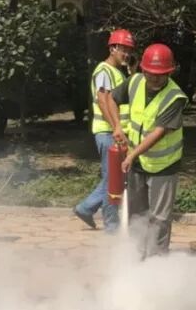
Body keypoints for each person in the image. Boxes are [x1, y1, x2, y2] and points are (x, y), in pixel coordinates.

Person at [102, 43, 188, 258]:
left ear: (170, 72)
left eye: (161, 74)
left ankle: (156, 263)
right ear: (143, 69)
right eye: (150, 73)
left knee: (159, 218)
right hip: (137, 164)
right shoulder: (135, 81)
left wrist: (132, 154)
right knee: (137, 215)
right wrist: (117, 126)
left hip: (163, 166)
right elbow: (110, 98)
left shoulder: (175, 97)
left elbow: (159, 132)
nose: (155, 78)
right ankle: (136, 257)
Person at [74, 29, 136, 231]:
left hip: (115, 132)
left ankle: (86, 208)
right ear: (112, 48)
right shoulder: (104, 71)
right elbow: (103, 101)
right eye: (123, 49)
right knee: (113, 181)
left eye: (129, 50)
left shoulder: (118, 72)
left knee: (114, 177)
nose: (126, 54)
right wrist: (116, 127)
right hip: (108, 132)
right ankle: (111, 226)